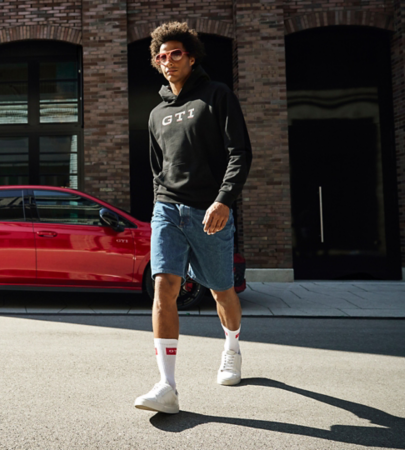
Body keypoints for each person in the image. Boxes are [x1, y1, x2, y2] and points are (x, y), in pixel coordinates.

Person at [134, 21, 252, 414]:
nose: (168, 61)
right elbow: (157, 169)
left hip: (209, 210)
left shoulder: (217, 96)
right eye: (161, 56)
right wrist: (158, 206)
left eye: (175, 54)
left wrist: (223, 201)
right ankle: (166, 385)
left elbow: (240, 154)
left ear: (191, 56)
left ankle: (232, 347)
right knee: (164, 285)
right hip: (167, 208)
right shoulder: (155, 115)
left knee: (222, 290)